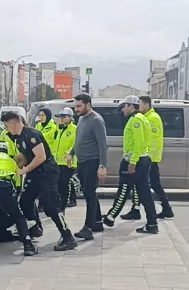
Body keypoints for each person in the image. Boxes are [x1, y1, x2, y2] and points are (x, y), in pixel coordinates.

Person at [2, 110, 77, 251]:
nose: (6, 129)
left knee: (51, 206)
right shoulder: (18, 138)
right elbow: (24, 156)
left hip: (47, 173)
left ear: (13, 122)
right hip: (34, 173)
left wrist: (24, 170)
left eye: (6, 126)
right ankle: (33, 227)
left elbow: (40, 157)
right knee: (25, 199)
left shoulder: (32, 134)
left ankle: (68, 237)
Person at [103, 96, 158, 234]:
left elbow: (138, 143)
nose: (123, 110)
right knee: (144, 193)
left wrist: (132, 162)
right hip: (142, 159)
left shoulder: (136, 121)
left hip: (135, 160)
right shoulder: (143, 118)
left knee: (124, 189)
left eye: (125, 107)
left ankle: (110, 216)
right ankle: (152, 223)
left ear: (131, 107)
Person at [70, 93, 107, 241]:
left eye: (79, 106)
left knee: (90, 194)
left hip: (92, 162)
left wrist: (102, 165)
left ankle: (88, 228)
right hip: (82, 161)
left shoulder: (96, 120)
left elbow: (103, 145)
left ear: (88, 105)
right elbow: (79, 139)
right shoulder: (82, 119)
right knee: (88, 192)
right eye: (75, 106)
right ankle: (97, 222)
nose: (76, 109)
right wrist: (71, 153)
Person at [140, 96, 174, 219]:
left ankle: (166, 208)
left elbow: (152, 140)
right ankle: (166, 208)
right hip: (149, 157)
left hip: (151, 158)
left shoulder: (152, 118)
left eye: (140, 104)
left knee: (152, 184)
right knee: (152, 184)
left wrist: (147, 156)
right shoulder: (146, 117)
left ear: (146, 105)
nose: (139, 107)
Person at [50, 108, 77, 212]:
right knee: (55, 187)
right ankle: (58, 206)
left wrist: (69, 153)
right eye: (60, 116)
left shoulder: (74, 129)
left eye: (64, 116)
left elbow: (75, 144)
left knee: (64, 187)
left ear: (70, 118)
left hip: (67, 163)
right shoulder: (58, 129)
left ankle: (62, 208)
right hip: (56, 162)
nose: (61, 119)